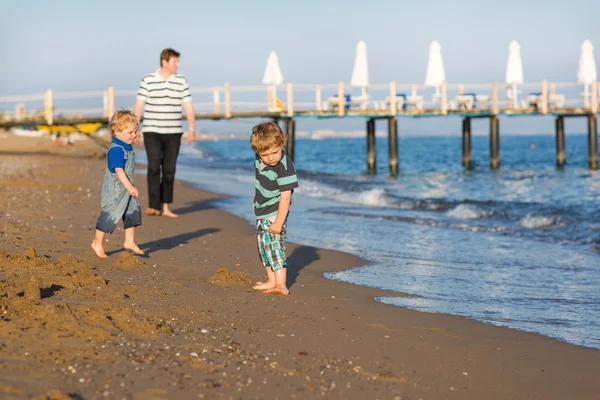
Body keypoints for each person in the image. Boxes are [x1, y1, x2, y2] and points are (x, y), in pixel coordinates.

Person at [133, 48, 196, 219]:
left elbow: (188, 105)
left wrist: (191, 128)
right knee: (153, 166)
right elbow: (139, 106)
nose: (177, 65)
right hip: (152, 130)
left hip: (174, 132)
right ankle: (154, 206)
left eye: (177, 61)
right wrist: (134, 128)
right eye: (175, 61)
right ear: (164, 62)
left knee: (169, 170)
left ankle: (165, 207)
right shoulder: (148, 80)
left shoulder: (181, 81)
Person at [250, 122, 299, 295]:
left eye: (275, 152)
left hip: (275, 212)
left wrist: (278, 222)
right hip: (261, 211)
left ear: (282, 145)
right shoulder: (260, 158)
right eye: (265, 154)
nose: (271, 158)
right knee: (264, 247)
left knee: (275, 247)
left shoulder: (284, 167)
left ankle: (281, 283)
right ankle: (271, 280)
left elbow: (286, 197)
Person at [91, 110, 144, 259]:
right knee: (110, 214)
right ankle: (97, 242)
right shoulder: (116, 150)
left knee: (133, 210)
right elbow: (119, 171)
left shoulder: (127, 147)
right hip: (115, 190)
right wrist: (131, 187)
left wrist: (129, 189)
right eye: (130, 132)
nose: (134, 135)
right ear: (117, 131)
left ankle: (129, 241)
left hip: (126, 189)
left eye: (135, 132)